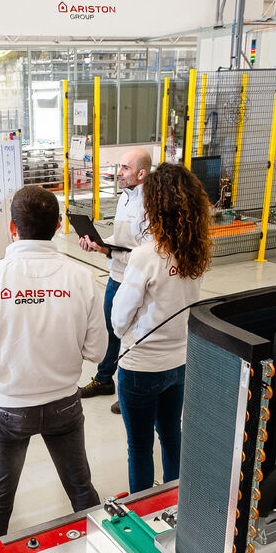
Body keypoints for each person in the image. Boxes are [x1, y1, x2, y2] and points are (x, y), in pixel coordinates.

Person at [0, 186, 107, 543]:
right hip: (64, 406)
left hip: (8, 408)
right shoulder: (81, 278)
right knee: (82, 491)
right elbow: (98, 352)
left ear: (12, 228)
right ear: (57, 226)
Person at [112, 162, 211, 494]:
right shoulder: (194, 251)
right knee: (171, 434)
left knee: (139, 446)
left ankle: (142, 508)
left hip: (140, 366)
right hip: (179, 362)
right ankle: (175, 501)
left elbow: (118, 319)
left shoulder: (145, 255)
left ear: (155, 205)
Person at [77, 147, 151, 414]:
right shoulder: (125, 197)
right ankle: (104, 379)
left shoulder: (150, 204)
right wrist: (98, 243)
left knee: (132, 335)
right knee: (111, 329)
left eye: (125, 168)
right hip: (116, 275)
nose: (118, 173)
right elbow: (123, 242)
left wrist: (107, 251)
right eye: (119, 167)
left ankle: (130, 389)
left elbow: (147, 255)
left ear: (141, 173)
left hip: (137, 280)